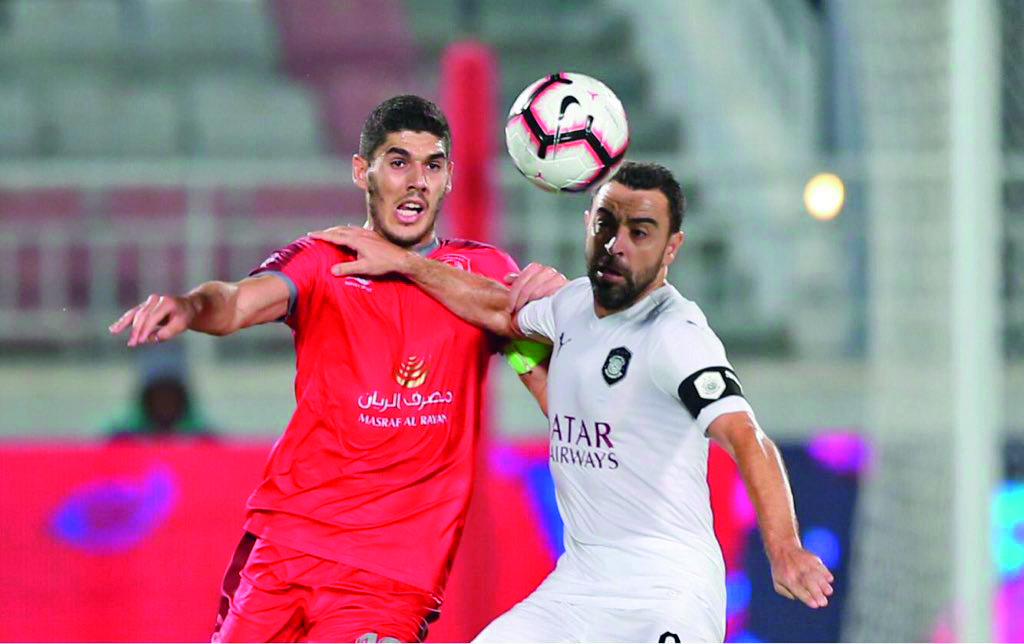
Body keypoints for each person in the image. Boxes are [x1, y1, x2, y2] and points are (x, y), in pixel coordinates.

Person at [311, 161, 834, 642]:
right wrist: (403, 263)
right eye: (606, 223)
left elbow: (747, 436)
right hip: (580, 585)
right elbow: (495, 307)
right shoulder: (571, 306)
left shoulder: (677, 335)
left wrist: (784, 548)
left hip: (667, 591)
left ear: (672, 247)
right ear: (587, 222)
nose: (617, 243)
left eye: (640, 232)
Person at [109, 95, 554, 643]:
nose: (416, 180)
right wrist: (190, 307)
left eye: (432, 165)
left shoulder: (482, 274)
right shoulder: (324, 259)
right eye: (398, 162)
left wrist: (563, 312)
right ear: (360, 171)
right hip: (287, 545)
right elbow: (236, 302)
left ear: (449, 178)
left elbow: (549, 389)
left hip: (391, 577)